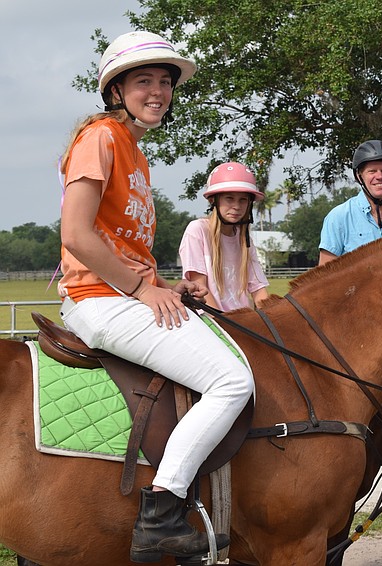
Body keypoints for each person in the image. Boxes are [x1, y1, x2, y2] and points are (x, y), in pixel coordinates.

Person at [57, 31, 252, 562]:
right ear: (115, 90)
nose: (159, 91)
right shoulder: (100, 138)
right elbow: (76, 235)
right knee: (232, 380)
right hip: (100, 299)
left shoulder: (136, 154)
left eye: (165, 82)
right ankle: (161, 513)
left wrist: (167, 286)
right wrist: (142, 288)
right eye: (144, 81)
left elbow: (124, 246)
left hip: (123, 294)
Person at [179, 161, 270, 311]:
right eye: (229, 198)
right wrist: (224, 322)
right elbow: (199, 288)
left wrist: (272, 318)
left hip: (240, 318)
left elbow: (259, 290)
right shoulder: (197, 230)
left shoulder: (245, 240)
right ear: (213, 200)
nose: (237, 206)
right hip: (209, 317)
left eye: (243, 200)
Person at [318, 139, 382, 265]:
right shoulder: (339, 217)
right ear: (359, 176)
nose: (379, 176)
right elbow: (325, 272)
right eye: (372, 171)